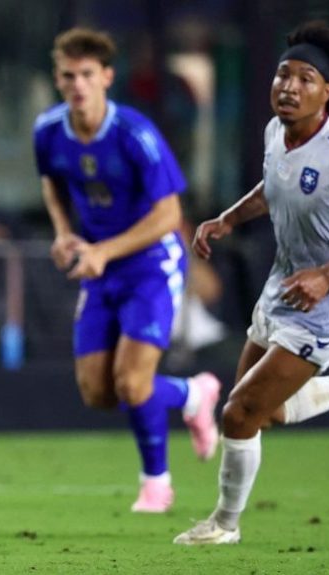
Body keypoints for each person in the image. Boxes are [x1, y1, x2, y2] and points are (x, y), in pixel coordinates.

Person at [173, 21, 329, 546]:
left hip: (327, 308)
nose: (289, 87)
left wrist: (328, 275)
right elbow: (274, 184)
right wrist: (228, 218)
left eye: (305, 79)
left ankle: (224, 525)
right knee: (264, 413)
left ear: (326, 93)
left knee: (239, 413)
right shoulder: (276, 131)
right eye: (283, 75)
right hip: (282, 290)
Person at [33, 27, 222, 513]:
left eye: (87, 74)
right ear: (57, 79)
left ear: (107, 77)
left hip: (151, 265)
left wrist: (105, 250)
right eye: (68, 75)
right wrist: (63, 233)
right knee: (97, 392)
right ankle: (192, 394)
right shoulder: (48, 131)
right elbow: (52, 183)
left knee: (133, 383)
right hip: (100, 266)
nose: (77, 84)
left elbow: (169, 215)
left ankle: (156, 483)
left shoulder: (135, 133)